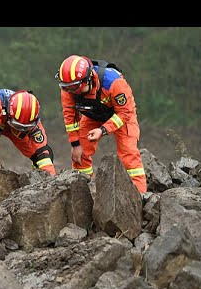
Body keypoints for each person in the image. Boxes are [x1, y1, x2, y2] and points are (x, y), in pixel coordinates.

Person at [55, 55, 147, 194]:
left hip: (120, 114)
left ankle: (139, 196)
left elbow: (125, 113)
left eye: (75, 87)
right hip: (93, 115)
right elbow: (70, 115)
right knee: (80, 155)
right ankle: (83, 193)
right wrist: (75, 144)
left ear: (88, 78)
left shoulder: (114, 83)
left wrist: (103, 130)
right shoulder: (68, 88)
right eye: (66, 87)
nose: (72, 91)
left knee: (129, 155)